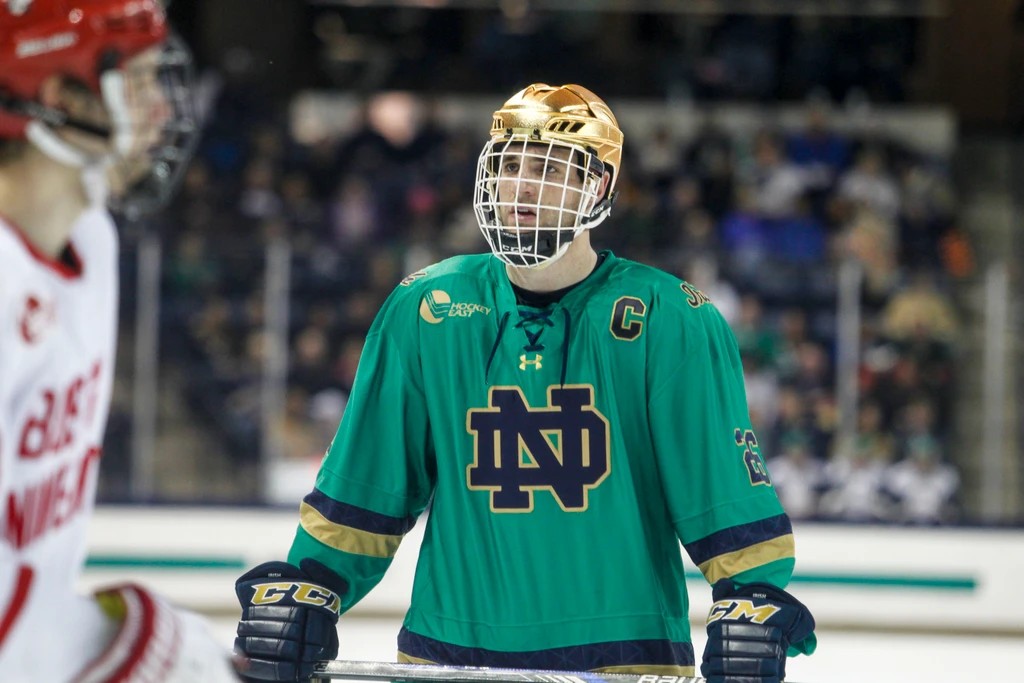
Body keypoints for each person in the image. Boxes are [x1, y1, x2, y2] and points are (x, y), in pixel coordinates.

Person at [234, 83, 817, 683]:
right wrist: (311, 586)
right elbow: (368, 484)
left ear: (599, 186)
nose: (521, 187)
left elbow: (722, 495)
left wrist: (752, 599)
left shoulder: (670, 318)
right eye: (510, 165)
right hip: (449, 660)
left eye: (549, 169)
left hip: (625, 661)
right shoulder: (427, 308)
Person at [0, 1, 237, 681]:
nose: (162, 110)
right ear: (57, 97)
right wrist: (110, 650)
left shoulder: (90, 240)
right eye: (135, 83)